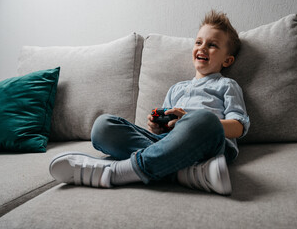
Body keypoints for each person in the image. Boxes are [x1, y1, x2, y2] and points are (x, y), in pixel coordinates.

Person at [49, 10, 250, 196]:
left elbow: (239, 127)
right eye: (198, 42)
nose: (202, 47)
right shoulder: (176, 89)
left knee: (204, 119)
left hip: (206, 145)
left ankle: (117, 172)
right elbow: (163, 136)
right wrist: (156, 127)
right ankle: (184, 172)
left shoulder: (227, 85)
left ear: (227, 60)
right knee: (103, 127)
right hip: (167, 146)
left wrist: (190, 119)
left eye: (212, 45)